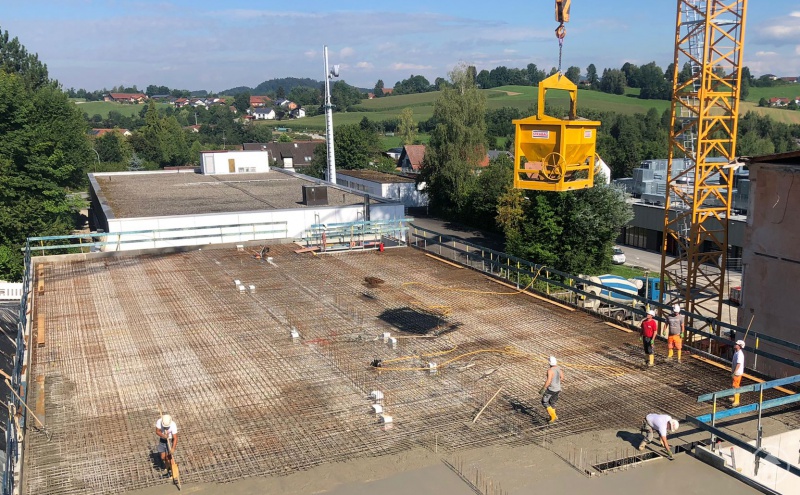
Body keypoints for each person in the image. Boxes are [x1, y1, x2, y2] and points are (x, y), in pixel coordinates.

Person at [539, 356, 563, 424]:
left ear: (549, 363)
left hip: (551, 389)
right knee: (553, 402)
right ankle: (554, 416)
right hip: (558, 389)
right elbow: (562, 377)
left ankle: (553, 416)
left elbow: (549, 380)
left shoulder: (550, 370)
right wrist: (556, 383)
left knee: (544, 402)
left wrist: (543, 388)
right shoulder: (559, 369)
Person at [731, 340, 745, 406]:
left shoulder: (740, 354)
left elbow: (738, 364)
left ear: (739, 346)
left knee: (736, 386)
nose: (735, 344)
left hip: (737, 373)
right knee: (734, 385)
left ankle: (736, 401)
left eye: (736, 344)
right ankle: (734, 397)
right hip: (735, 372)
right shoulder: (736, 352)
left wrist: (734, 372)